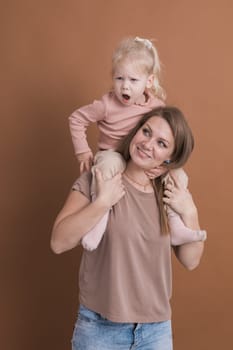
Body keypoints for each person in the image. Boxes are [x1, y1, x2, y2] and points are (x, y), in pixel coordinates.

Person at [51, 106, 205, 350]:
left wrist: (190, 211)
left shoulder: (169, 193)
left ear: (170, 158)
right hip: (100, 330)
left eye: (161, 143)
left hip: (156, 331)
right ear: (135, 131)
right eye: (146, 132)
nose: (147, 143)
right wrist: (102, 203)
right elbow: (58, 242)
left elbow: (191, 260)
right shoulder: (99, 178)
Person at [68, 36, 206, 251]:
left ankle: (176, 224)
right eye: (119, 78)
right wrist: (82, 151)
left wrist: (164, 166)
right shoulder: (106, 104)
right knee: (105, 169)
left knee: (180, 176)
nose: (125, 87)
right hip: (112, 153)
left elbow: (165, 139)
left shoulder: (156, 107)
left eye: (133, 80)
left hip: (139, 159)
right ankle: (99, 221)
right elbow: (76, 119)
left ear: (148, 82)